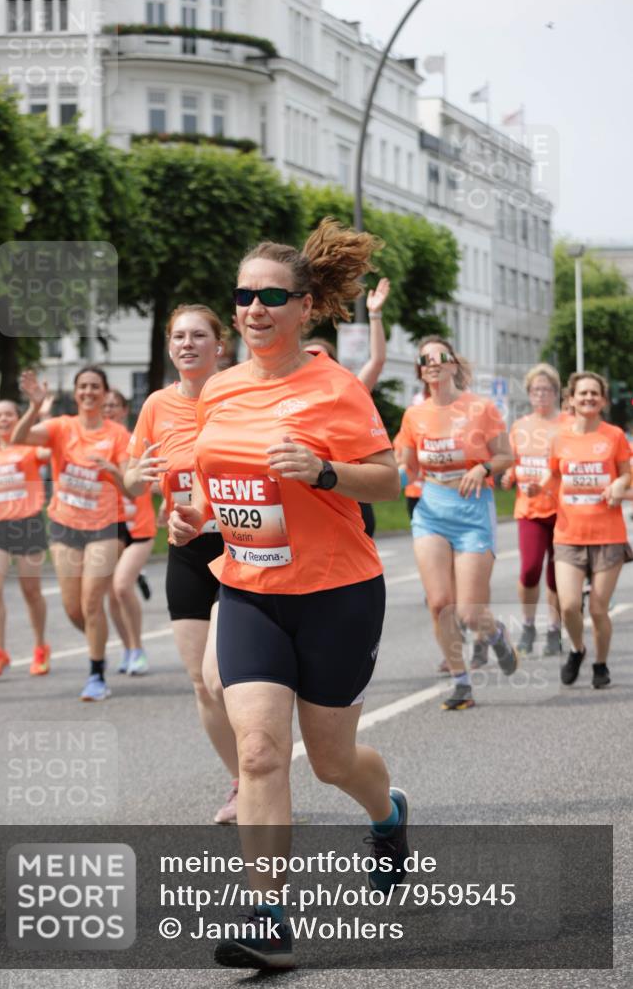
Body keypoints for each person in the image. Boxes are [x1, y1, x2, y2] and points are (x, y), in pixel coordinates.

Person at [168, 219, 404, 971]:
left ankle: (387, 813)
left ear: (305, 307)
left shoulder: (335, 389)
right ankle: (268, 916)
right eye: (244, 296)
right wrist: (196, 517)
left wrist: (323, 471)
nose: (255, 308)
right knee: (262, 753)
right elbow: (219, 485)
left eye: (272, 295)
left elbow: (389, 479)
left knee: (332, 763)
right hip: (247, 591)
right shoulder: (220, 391)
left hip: (337, 593)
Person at [125, 304, 239, 825]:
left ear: (220, 346)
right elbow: (131, 477)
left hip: (243, 546)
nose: (187, 344)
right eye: (178, 337)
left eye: (199, 336)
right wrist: (138, 474)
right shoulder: (155, 405)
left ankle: (264, 767)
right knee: (200, 681)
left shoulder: (239, 394)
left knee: (223, 678)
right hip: (187, 549)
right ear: (170, 347)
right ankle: (243, 781)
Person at [398, 335, 518, 711]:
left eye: (440, 357)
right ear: (421, 371)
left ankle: (495, 633)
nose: (432, 363)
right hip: (431, 509)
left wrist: (482, 467)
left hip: (472, 511)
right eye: (425, 359)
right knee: (439, 604)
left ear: (453, 364)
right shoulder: (413, 415)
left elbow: (505, 456)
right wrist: (374, 481)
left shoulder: (481, 408)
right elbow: (408, 466)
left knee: (470, 611)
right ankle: (460, 681)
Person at [11, 367, 131, 701]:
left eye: (95, 387)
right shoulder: (61, 426)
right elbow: (19, 438)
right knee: (73, 609)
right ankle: (99, 640)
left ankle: (96, 675)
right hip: (64, 527)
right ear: (76, 392)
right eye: (83, 387)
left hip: (103, 528)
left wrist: (113, 472)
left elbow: (132, 489)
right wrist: (34, 406)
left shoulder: (117, 435)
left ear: (105, 393)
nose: (89, 392)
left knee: (92, 602)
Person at [545, 372, 631, 687]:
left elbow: (627, 475)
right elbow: (553, 477)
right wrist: (537, 488)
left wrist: (619, 485)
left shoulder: (615, 436)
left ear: (603, 400)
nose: (589, 398)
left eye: (595, 393)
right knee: (568, 605)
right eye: (583, 394)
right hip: (568, 534)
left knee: (597, 608)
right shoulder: (559, 438)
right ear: (571, 400)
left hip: (608, 535)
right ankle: (578, 648)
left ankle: (600, 664)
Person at [0, 400, 51, 678]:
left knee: (31, 591)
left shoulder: (29, 449)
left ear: (18, 419)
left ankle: (40, 647)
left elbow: (52, 450)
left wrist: (43, 413)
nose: (3, 420)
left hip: (26, 525)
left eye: (8, 415)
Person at [304, 276, 390, 538]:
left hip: (350, 495)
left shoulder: (346, 391)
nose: (314, 363)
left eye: (321, 357)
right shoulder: (280, 396)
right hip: (310, 505)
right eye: (308, 357)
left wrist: (374, 315)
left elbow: (376, 361)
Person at [501, 364, 563, 656]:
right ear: (529, 393)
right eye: (536, 390)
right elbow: (514, 462)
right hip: (529, 509)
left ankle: (554, 628)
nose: (541, 395)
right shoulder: (520, 426)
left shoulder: (567, 424)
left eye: (546, 389)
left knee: (555, 576)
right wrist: (508, 476)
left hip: (563, 511)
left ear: (556, 392)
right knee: (529, 570)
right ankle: (528, 624)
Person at [102, 389, 156, 676]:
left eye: (114, 406)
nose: (108, 410)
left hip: (141, 526)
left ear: (124, 410)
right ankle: (128, 648)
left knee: (122, 585)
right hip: (113, 525)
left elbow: (148, 480)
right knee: (112, 592)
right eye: (105, 405)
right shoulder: (99, 442)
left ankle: (138, 648)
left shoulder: (132, 442)